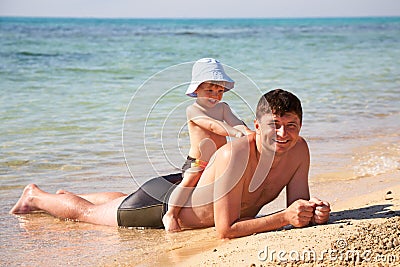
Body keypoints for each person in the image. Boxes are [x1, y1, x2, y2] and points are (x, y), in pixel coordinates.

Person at [10, 89, 330, 239]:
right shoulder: (237, 156)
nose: (283, 134)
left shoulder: (300, 151)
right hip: (161, 205)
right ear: (257, 126)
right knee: (86, 215)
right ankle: (36, 195)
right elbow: (226, 230)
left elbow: (296, 205)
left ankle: (67, 194)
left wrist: (313, 211)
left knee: (119, 202)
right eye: (274, 125)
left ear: (300, 126)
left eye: (291, 125)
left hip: (178, 187)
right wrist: (283, 218)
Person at [163, 58, 252, 232]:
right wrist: (234, 133)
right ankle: (171, 214)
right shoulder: (193, 110)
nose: (215, 95)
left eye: (220, 90)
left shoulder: (223, 107)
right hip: (199, 162)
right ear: (197, 90)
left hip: (218, 163)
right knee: (190, 178)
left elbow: (236, 123)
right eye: (209, 90)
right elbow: (212, 125)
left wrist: (249, 133)